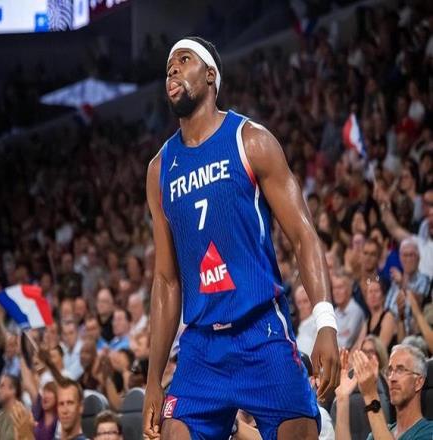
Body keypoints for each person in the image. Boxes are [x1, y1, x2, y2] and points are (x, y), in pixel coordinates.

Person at [143, 36, 339, 440]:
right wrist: (153, 377)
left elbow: (303, 236)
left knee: (301, 432)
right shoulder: (159, 169)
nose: (172, 69)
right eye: (168, 67)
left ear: (210, 75)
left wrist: (325, 323)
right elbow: (165, 279)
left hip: (260, 330)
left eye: (184, 60)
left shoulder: (251, 141)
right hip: (201, 347)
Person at [353, 344, 433, 439]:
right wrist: (342, 399)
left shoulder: (429, 432)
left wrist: (370, 395)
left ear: (418, 382)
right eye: (390, 371)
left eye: (400, 370)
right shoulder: (377, 433)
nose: (392, 378)